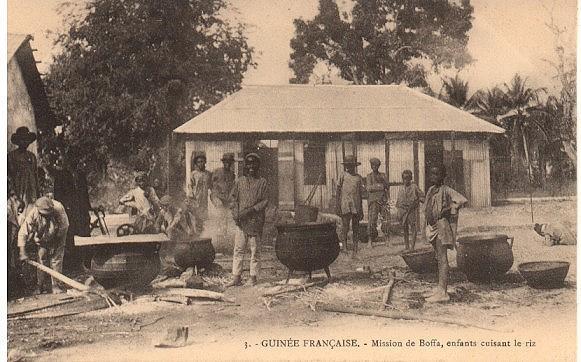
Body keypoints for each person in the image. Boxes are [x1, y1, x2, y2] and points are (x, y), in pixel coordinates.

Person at [424, 165, 467, 303]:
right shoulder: (431, 190)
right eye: (432, 174)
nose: (433, 176)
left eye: (437, 174)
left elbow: (462, 200)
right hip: (432, 227)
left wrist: (449, 209)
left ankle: (443, 292)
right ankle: (439, 287)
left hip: (442, 227)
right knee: (438, 257)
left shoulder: (446, 190)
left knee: (443, 259)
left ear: (442, 176)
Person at [226, 153, 268, 287]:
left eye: (254, 163)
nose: (251, 167)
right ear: (245, 165)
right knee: (238, 249)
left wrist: (251, 210)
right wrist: (236, 214)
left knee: (255, 250)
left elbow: (265, 201)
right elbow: (233, 199)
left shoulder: (262, 182)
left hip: (255, 221)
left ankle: (253, 277)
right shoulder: (239, 181)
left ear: (258, 166)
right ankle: (236, 277)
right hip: (241, 222)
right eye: (248, 163)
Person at [18, 196, 70, 294]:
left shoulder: (59, 209)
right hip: (42, 234)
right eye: (44, 214)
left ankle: (56, 285)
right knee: (41, 257)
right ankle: (40, 285)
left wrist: (53, 245)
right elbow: (23, 232)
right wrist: (22, 252)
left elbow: (64, 228)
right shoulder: (34, 212)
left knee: (56, 259)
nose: (46, 216)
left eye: (48, 214)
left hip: (58, 234)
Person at [336, 155, 365, 259]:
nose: (349, 167)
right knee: (345, 227)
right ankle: (344, 248)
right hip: (345, 205)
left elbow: (361, 194)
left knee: (356, 228)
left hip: (356, 205)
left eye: (351, 165)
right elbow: (338, 191)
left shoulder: (358, 178)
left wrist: (361, 209)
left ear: (354, 166)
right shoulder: (342, 176)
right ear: (346, 166)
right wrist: (337, 205)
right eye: (348, 165)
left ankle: (355, 249)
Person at [8, 126, 40, 206]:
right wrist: (14, 195)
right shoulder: (12, 156)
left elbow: (35, 176)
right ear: (18, 141)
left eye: (27, 140)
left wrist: (38, 194)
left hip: (31, 190)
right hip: (19, 190)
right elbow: (9, 177)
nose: (25, 142)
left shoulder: (32, 156)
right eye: (22, 140)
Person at [396, 170, 425, 251]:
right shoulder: (401, 188)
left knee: (413, 228)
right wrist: (399, 211)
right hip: (403, 211)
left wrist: (417, 200)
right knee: (405, 228)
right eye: (404, 178)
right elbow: (398, 201)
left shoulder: (414, 187)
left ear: (410, 178)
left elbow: (422, 196)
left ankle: (412, 246)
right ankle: (407, 246)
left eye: (408, 178)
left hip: (411, 210)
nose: (406, 180)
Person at [211, 153, 236, 240]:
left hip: (227, 198)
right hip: (217, 197)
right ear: (223, 162)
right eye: (225, 162)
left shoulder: (232, 174)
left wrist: (230, 198)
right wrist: (216, 197)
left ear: (231, 163)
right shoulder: (217, 172)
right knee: (220, 213)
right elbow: (213, 187)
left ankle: (225, 235)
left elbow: (232, 187)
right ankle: (217, 235)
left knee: (228, 216)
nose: (227, 164)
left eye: (229, 162)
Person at [365, 158, 389, 248]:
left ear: (378, 166)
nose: (374, 167)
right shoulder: (369, 176)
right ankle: (370, 241)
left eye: (376, 165)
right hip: (373, 201)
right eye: (373, 165)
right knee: (372, 221)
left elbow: (387, 186)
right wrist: (380, 186)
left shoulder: (383, 175)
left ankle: (387, 239)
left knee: (385, 220)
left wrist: (379, 186)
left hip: (383, 200)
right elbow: (369, 188)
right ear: (371, 166)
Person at [188, 153, 212, 233]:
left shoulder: (208, 174)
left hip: (204, 199)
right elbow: (190, 186)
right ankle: (195, 233)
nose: (200, 163)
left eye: (202, 161)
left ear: (205, 162)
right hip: (195, 199)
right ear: (196, 163)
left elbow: (211, 186)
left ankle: (201, 234)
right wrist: (191, 195)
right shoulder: (193, 174)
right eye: (198, 162)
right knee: (195, 217)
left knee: (203, 218)